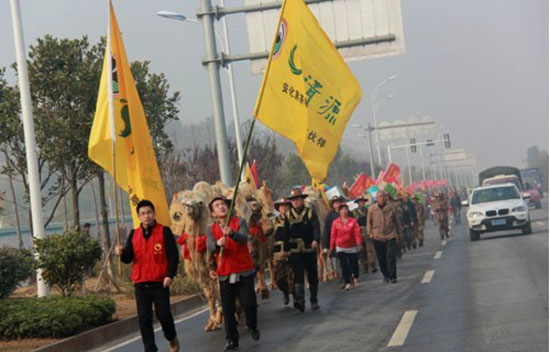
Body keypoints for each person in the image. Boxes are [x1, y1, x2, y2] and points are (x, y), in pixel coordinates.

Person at [115, 200, 180, 352]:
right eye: (143, 214)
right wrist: (121, 253)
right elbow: (128, 258)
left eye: (149, 212)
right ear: (139, 216)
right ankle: (150, 349)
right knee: (144, 320)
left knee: (164, 316)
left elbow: (173, 256)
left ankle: (171, 338)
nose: (146, 216)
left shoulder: (164, 231)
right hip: (141, 282)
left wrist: (169, 275)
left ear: (154, 214)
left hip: (160, 282)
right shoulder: (134, 234)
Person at [206, 197, 260, 351]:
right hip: (225, 273)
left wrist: (232, 234)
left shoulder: (240, 222)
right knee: (228, 309)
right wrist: (217, 244)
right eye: (216, 205)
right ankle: (231, 339)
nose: (221, 207)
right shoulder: (211, 229)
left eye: (223, 204)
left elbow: (244, 239)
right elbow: (209, 246)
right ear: (213, 213)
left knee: (249, 303)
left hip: (243, 270)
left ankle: (252, 325)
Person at [288, 188, 321, 311]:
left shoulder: (310, 212)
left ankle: (314, 299)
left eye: (297, 199)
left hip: (309, 249)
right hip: (295, 251)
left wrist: (315, 240)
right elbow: (285, 233)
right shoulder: (288, 215)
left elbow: (316, 228)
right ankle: (300, 300)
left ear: (302, 200)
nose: (296, 202)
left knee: (312, 275)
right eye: (293, 200)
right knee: (298, 276)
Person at [367, 191, 403, 284]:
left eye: (383, 196)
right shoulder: (372, 209)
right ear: (376, 198)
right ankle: (385, 275)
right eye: (380, 197)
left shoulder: (391, 208)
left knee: (391, 256)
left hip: (390, 235)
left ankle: (393, 276)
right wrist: (370, 233)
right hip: (377, 237)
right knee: (381, 258)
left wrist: (400, 233)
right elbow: (369, 223)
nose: (382, 198)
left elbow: (397, 221)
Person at [330, 203, 362, 290]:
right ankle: (347, 281)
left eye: (345, 209)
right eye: (342, 209)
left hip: (351, 246)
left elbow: (357, 233)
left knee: (354, 264)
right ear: (339, 212)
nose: (344, 211)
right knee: (344, 265)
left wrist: (359, 243)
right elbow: (333, 235)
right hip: (340, 247)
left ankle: (355, 276)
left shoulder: (353, 221)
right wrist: (331, 247)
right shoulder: (335, 223)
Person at [272, 198, 294, 305]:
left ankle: (296, 296)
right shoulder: (273, 221)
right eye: (282, 206)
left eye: (286, 206)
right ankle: (285, 292)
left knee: (293, 276)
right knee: (279, 279)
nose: (284, 209)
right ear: (279, 209)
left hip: (291, 252)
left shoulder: (293, 219)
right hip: (278, 254)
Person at [352, 197, 377, 274]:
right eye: (360, 202)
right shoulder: (354, 212)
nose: (362, 203)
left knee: (370, 249)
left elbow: (372, 220)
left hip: (368, 231)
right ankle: (364, 266)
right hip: (359, 232)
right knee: (361, 251)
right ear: (357, 203)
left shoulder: (368, 210)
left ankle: (373, 265)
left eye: (363, 202)